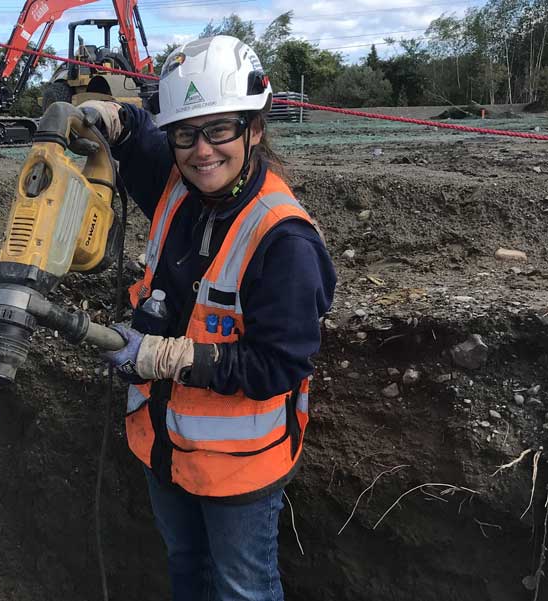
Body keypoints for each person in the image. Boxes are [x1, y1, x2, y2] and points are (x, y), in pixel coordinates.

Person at [80, 35, 337, 601]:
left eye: (220, 129)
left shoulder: (284, 241)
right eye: (186, 133)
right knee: (187, 569)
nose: (202, 151)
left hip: (236, 471)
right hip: (163, 448)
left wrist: (170, 356)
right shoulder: (177, 184)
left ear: (255, 128)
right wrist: (110, 115)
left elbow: (280, 364)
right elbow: (140, 136)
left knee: (241, 588)